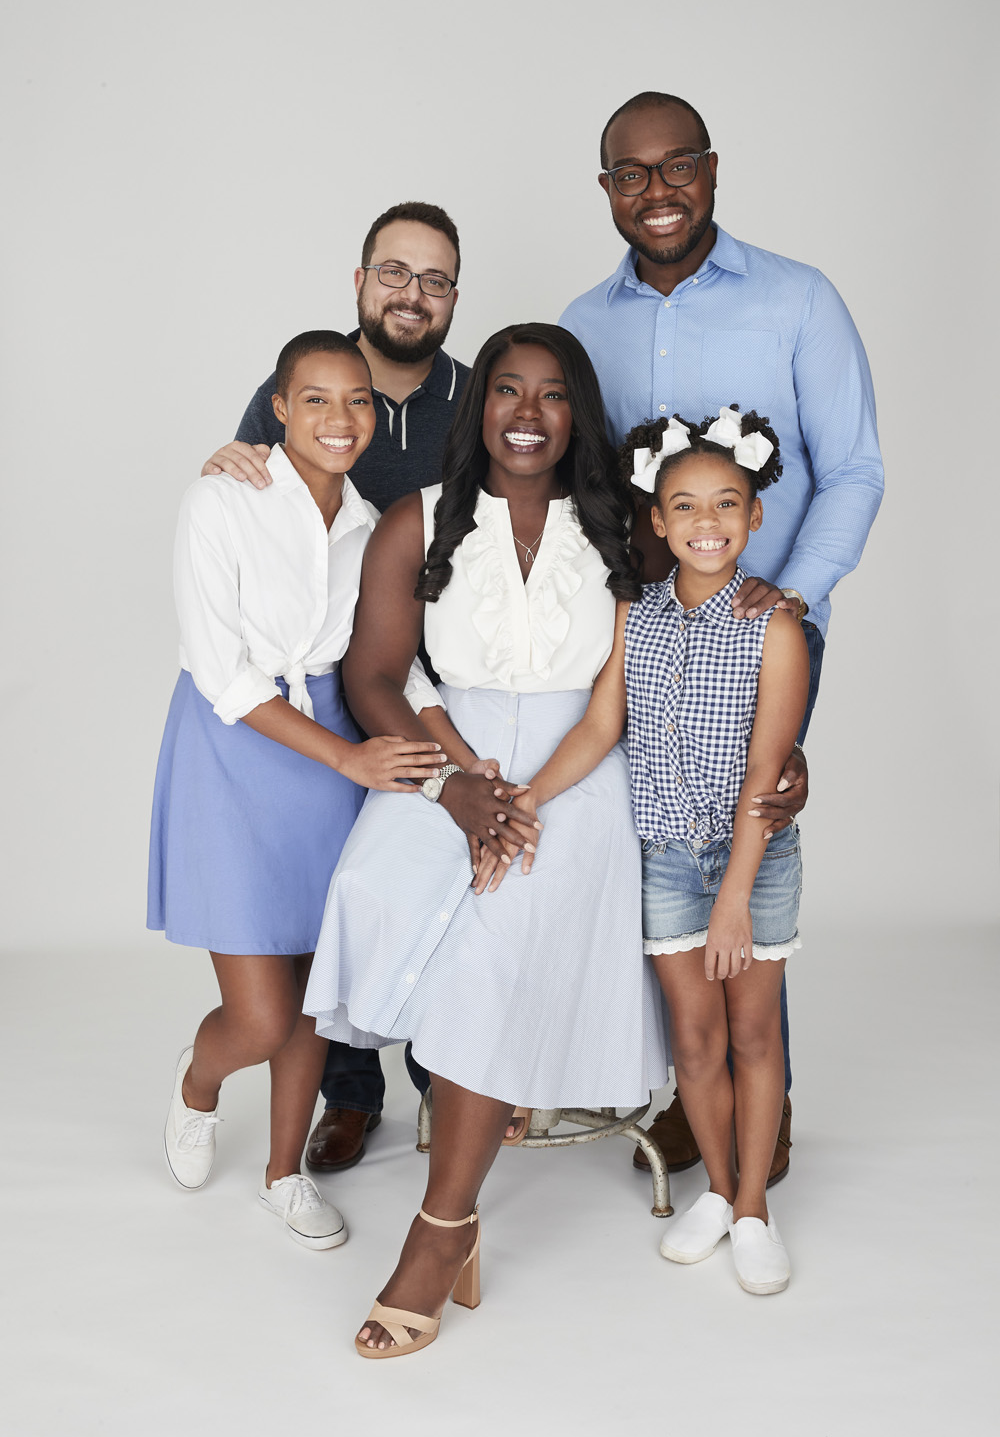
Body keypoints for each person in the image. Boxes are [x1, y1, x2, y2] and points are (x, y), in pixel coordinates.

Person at [303, 323, 672, 1357]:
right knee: (375, 887)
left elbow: (689, 631)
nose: (525, 412)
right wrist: (458, 785)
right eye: (506, 389)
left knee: (499, 941)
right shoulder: (418, 520)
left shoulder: (624, 531)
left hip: (580, 774)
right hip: (444, 756)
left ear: (576, 414)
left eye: (551, 394)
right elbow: (371, 678)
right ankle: (471, 1110)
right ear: (480, 408)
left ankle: (441, 1226)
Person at [561, 92, 884, 1181]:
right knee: (660, 840)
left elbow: (853, 469)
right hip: (649, 640)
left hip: (766, 630)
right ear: (606, 188)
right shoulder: (583, 323)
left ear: (711, 169)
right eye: (629, 173)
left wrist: (788, 598)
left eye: (676, 166)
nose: (656, 191)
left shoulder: (796, 299)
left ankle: (762, 1111)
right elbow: (584, 489)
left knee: (753, 822)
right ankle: (696, 1083)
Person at [492, 405, 809, 1291]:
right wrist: (531, 794)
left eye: (727, 505)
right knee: (694, 1043)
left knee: (752, 1035)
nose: (707, 523)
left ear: (752, 518)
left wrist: (738, 895)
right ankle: (715, 1188)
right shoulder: (638, 617)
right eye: (686, 507)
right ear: (658, 521)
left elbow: (765, 772)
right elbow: (603, 724)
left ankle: (753, 1207)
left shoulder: (774, 627)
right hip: (666, 859)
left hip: (750, 862)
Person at [148, 330, 445, 1248]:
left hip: (329, 745)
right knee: (261, 1013)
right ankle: (200, 1084)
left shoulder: (368, 522)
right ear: (277, 407)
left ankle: (284, 1174)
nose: (339, 418)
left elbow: (384, 657)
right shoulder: (220, 499)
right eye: (315, 399)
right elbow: (220, 674)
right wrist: (350, 760)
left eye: (356, 400)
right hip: (236, 747)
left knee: (317, 993)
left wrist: (436, 753)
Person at [200, 201, 471, 1172]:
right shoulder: (298, 389)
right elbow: (245, 508)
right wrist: (220, 465)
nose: (413, 293)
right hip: (319, 686)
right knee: (339, 899)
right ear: (358, 283)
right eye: (394, 272)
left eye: (434, 280)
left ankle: (449, 1080)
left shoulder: (480, 401)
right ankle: (349, 1095)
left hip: (439, 674)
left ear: (451, 300)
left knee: (441, 872)